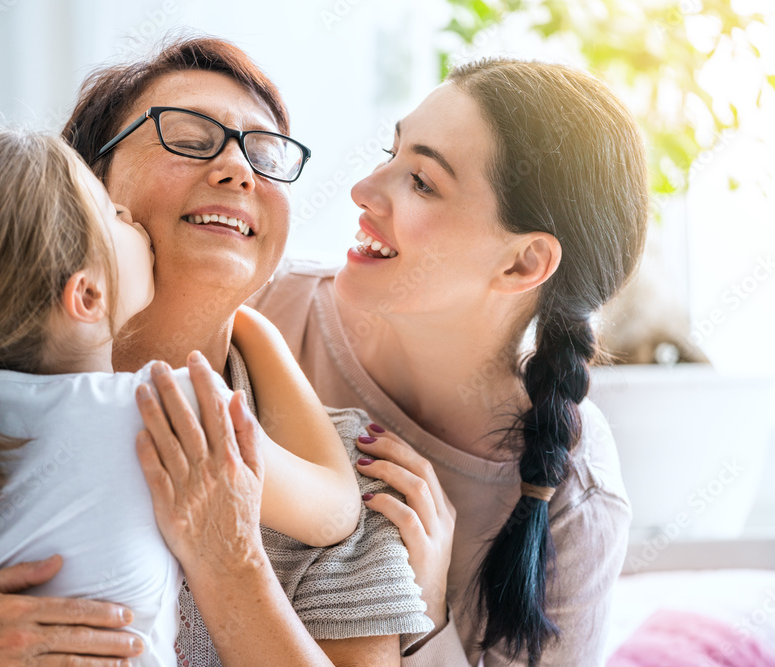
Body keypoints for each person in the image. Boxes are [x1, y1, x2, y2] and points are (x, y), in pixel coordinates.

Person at [0, 38, 432, 667]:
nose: (239, 168)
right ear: (88, 196)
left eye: (263, 152)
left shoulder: (355, 463)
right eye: (188, 135)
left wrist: (231, 564)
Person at [0, 128, 363, 665]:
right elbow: (334, 509)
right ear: (88, 294)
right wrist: (254, 331)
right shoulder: (168, 406)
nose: (128, 216)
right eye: (111, 213)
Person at [243, 58, 648, 665]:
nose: (363, 190)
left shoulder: (574, 494)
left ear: (522, 264)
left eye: (423, 182)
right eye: (391, 152)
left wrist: (427, 617)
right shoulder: (262, 305)